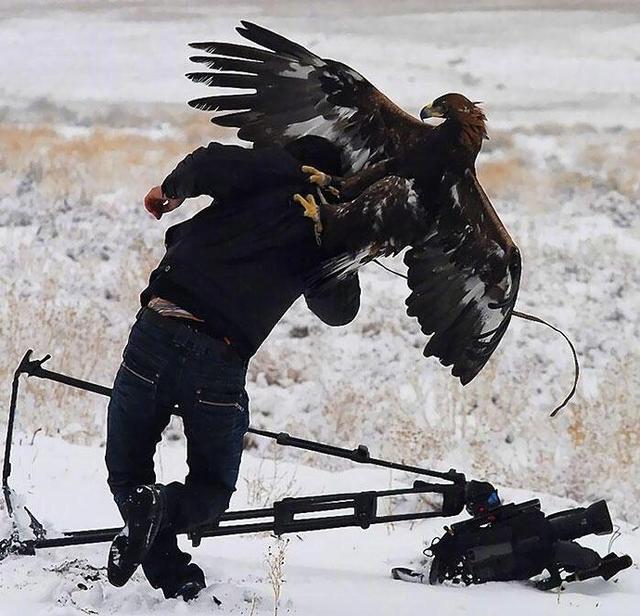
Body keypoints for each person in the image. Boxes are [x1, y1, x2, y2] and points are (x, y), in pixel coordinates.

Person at [105, 136, 361, 602]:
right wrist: (340, 244)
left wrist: (171, 189)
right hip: (218, 359)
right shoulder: (325, 224)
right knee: (211, 490)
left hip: (156, 329)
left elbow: (208, 161)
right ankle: (169, 559)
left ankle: (155, 530)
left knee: (127, 471)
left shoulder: (270, 170)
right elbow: (339, 310)